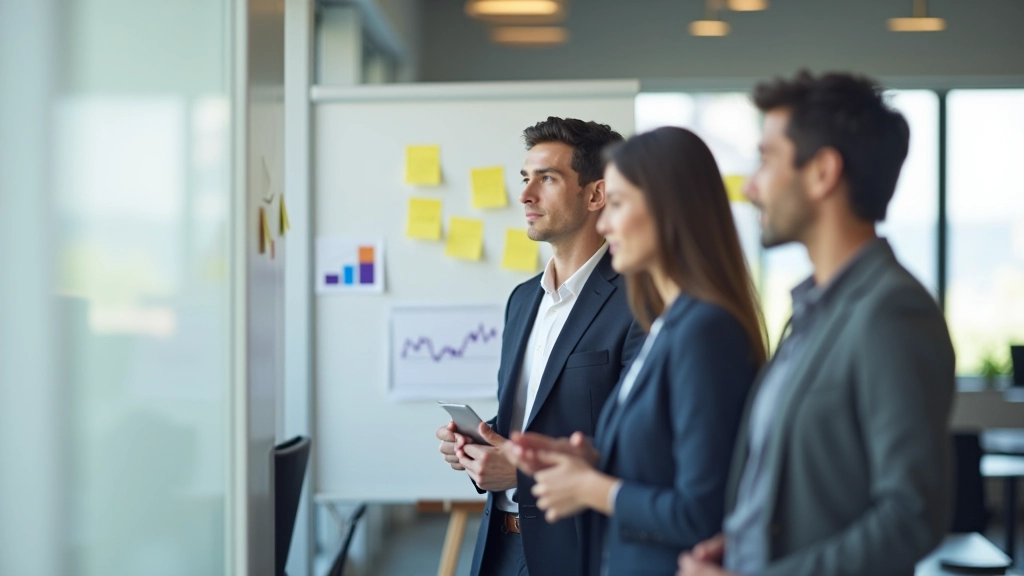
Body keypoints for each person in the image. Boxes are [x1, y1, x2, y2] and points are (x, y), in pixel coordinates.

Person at [678, 71, 956, 576]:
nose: (751, 187)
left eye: (766, 159)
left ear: (823, 172)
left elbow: (910, 517)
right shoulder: (810, 309)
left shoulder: (892, 311)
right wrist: (739, 541)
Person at [512, 126, 766, 576]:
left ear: (671, 211)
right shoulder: (668, 322)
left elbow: (701, 512)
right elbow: (659, 462)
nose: (606, 225)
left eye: (620, 205)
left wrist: (592, 487)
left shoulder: (705, 330)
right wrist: (591, 459)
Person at [435, 117, 644, 576]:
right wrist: (480, 441)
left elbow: (642, 444)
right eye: (525, 179)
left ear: (596, 194)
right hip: (499, 547)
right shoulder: (522, 300)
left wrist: (522, 474)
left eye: (546, 179)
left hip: (581, 553)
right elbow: (531, 417)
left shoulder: (639, 301)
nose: (526, 195)